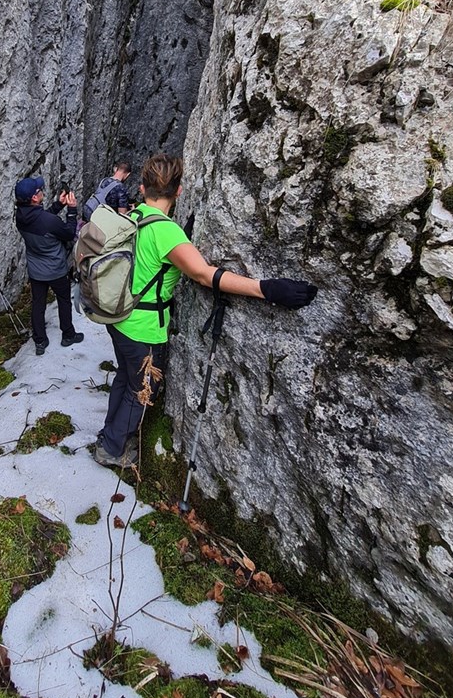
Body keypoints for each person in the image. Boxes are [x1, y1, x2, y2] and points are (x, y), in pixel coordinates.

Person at [94, 154, 318, 469]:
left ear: (143, 188)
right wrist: (265, 289)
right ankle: (112, 449)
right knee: (143, 387)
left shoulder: (134, 215)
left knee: (126, 377)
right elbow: (204, 275)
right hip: (143, 328)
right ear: (180, 191)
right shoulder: (167, 233)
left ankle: (109, 436)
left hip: (118, 318)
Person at [15, 176, 84, 356]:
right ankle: (68, 334)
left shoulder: (20, 216)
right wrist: (71, 210)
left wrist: (57, 206)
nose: (42, 190)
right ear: (34, 198)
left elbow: (41, 220)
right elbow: (68, 233)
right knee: (63, 299)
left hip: (36, 269)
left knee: (38, 304)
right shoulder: (47, 221)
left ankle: (40, 340)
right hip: (55, 268)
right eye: (39, 190)